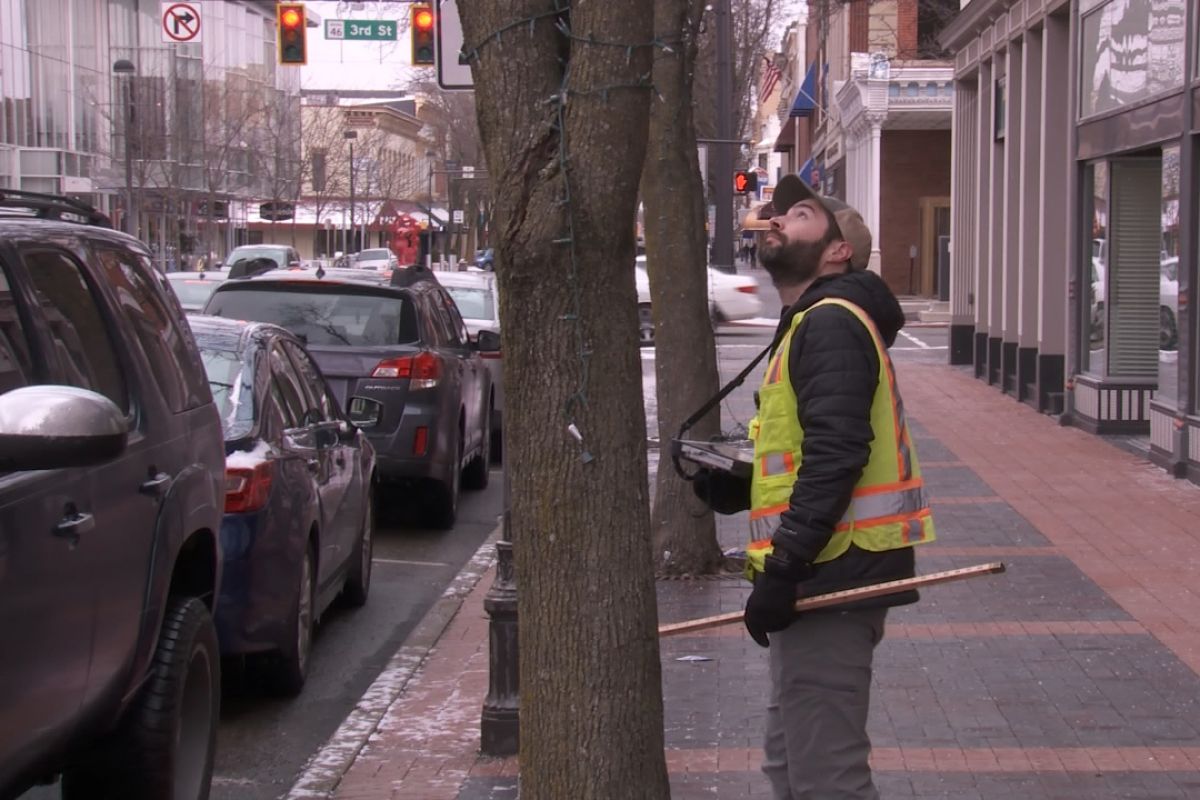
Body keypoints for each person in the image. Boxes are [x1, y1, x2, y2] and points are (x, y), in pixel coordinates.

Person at [692, 174, 935, 800]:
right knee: (793, 768)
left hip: (832, 578)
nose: (775, 222)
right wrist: (738, 485)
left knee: (826, 779)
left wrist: (784, 568)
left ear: (837, 250)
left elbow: (838, 456)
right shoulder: (812, 324)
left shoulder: (829, 324)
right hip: (822, 577)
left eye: (798, 215)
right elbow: (811, 452)